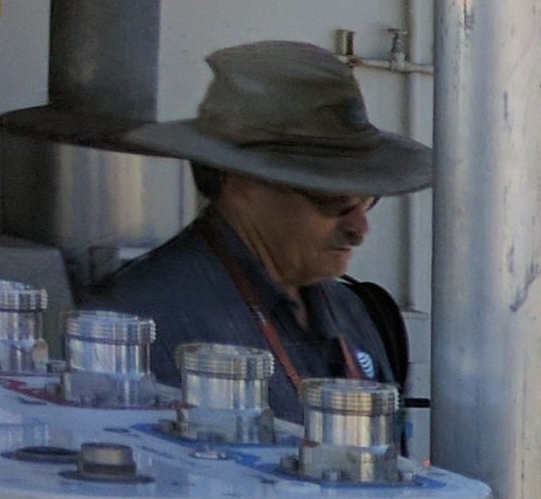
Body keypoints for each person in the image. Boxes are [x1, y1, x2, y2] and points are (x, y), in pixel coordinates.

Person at [110, 38, 425, 409]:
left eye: (368, 199)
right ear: (244, 182)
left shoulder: (350, 310)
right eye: (335, 200)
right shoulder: (142, 321)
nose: (360, 228)